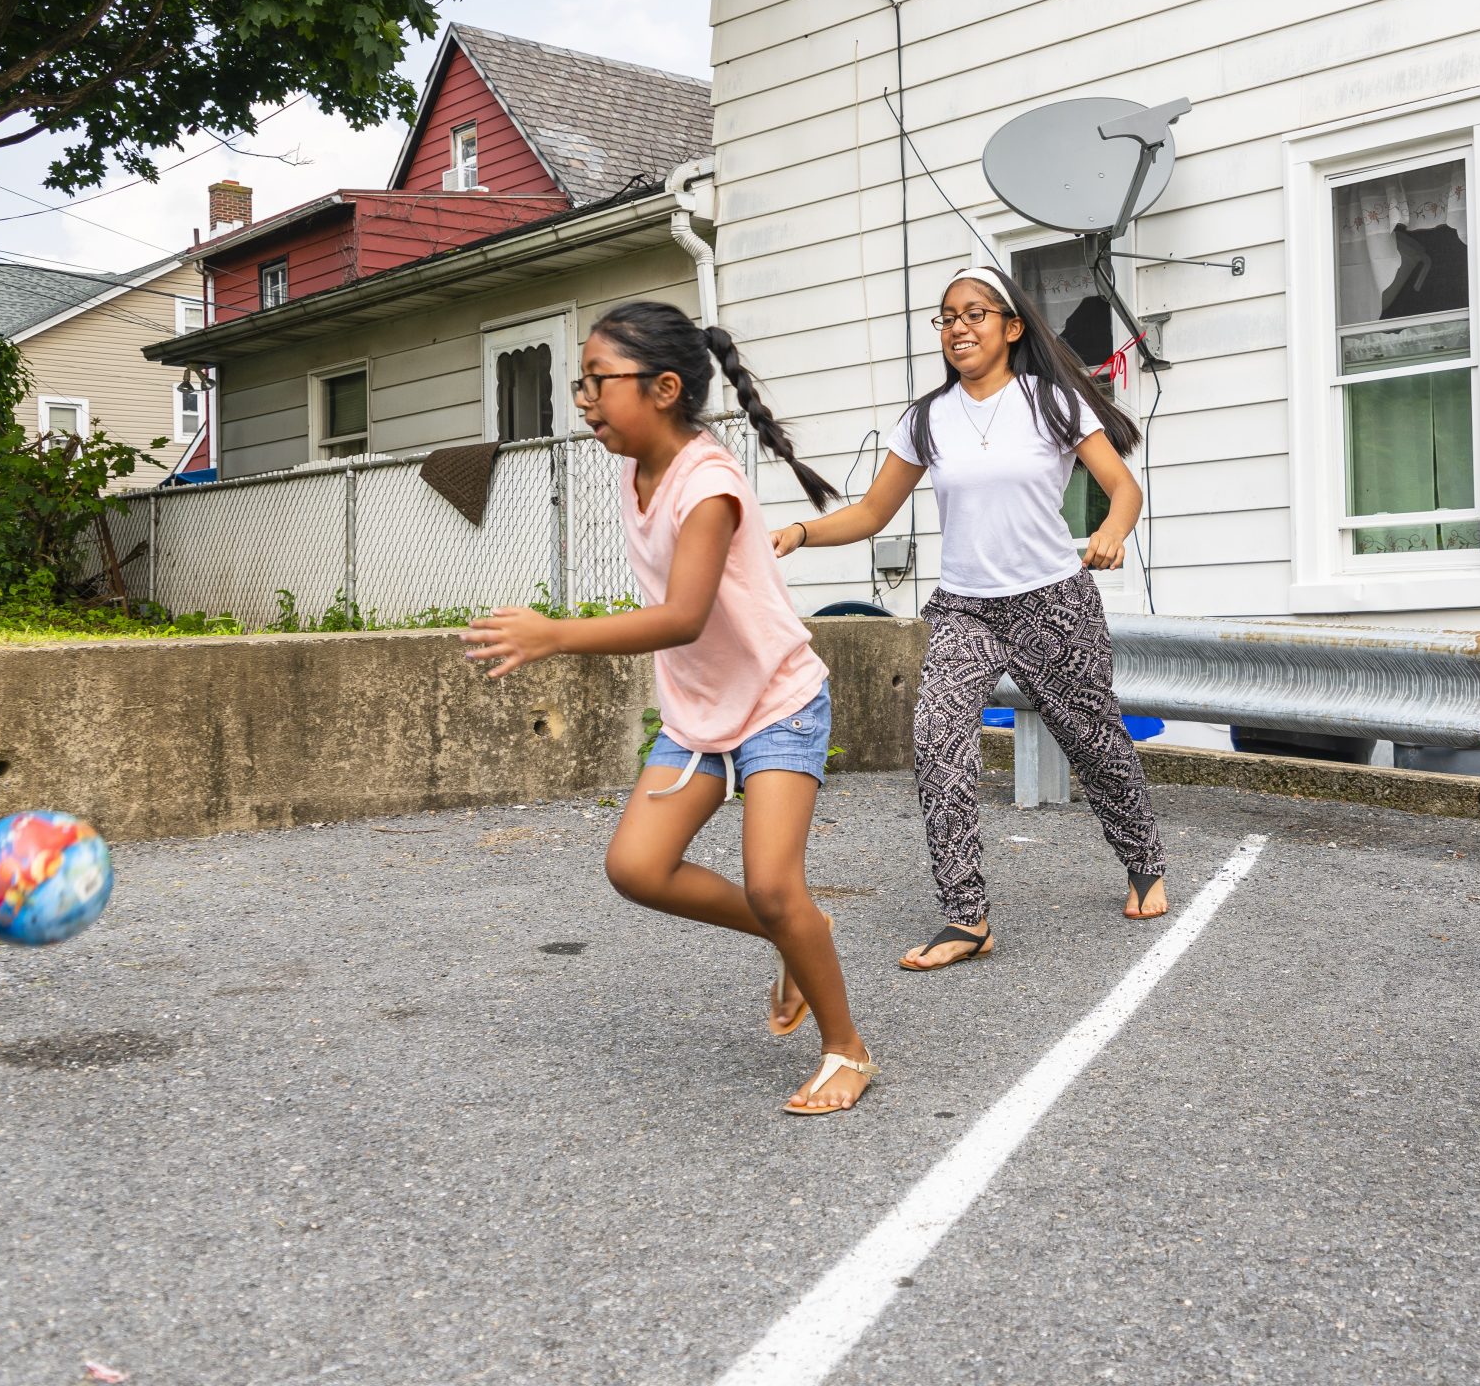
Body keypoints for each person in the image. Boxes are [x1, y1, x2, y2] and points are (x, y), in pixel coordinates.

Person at [462, 302, 878, 1116]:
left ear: (662, 387)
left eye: (596, 381)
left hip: (777, 701)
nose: (582, 399)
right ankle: (790, 932)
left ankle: (846, 1049)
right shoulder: (632, 466)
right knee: (637, 868)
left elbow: (684, 614)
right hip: (697, 710)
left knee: (772, 883)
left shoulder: (709, 486)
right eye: (578, 382)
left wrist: (555, 635)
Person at [770, 265, 1165, 972]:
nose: (959, 327)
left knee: (1095, 742)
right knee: (936, 737)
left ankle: (1143, 862)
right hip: (964, 607)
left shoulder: (1052, 402)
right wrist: (799, 533)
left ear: (1012, 328)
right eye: (947, 317)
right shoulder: (927, 419)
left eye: (976, 313)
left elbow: (1122, 485)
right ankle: (965, 916)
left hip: (1051, 599)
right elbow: (870, 513)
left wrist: (1113, 529)